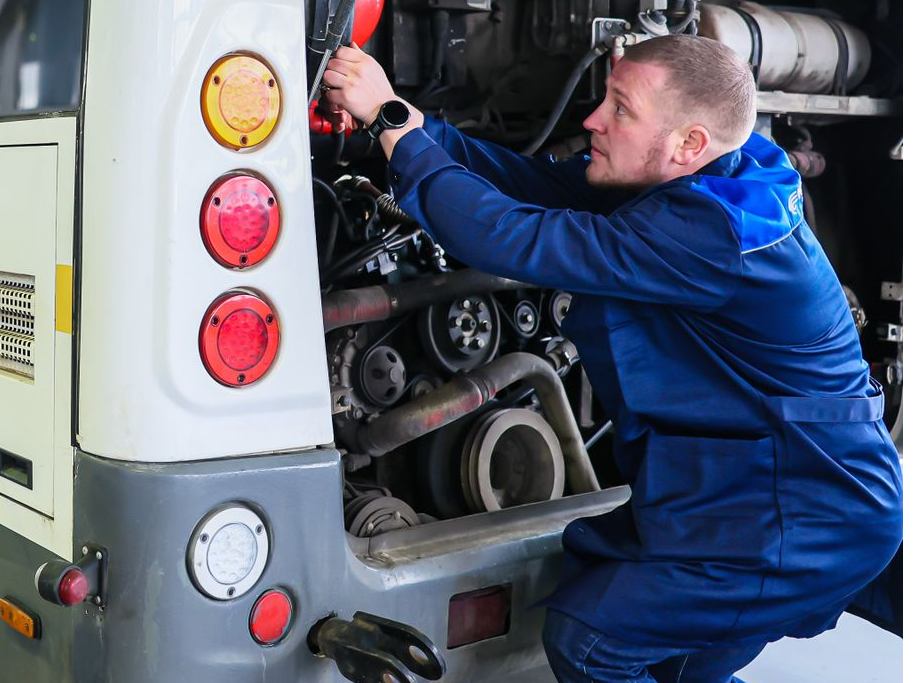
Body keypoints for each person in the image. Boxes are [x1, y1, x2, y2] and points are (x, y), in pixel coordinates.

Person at [320, 35, 903, 683]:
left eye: (620, 109)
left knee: (591, 640)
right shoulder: (724, 170)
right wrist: (418, 126)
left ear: (688, 144)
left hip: (802, 514)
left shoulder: (715, 235)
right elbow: (537, 187)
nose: (592, 120)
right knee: (678, 666)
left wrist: (388, 125)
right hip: (762, 495)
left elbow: (514, 236)